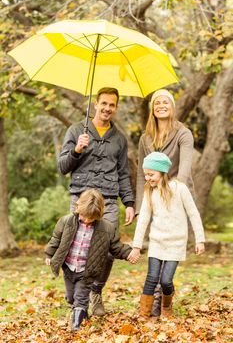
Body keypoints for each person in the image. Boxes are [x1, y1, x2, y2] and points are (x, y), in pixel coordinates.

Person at [58, 87, 135, 316]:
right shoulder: (75, 130)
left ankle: (96, 292)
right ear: (95, 104)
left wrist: (129, 202)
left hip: (109, 200)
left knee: (109, 250)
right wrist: (77, 150)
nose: (107, 108)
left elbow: (123, 173)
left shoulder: (119, 139)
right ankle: (74, 295)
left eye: (112, 105)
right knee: (73, 247)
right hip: (81, 200)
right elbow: (62, 167)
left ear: (116, 107)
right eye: (104, 103)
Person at [45, 189, 138, 331]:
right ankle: (83, 314)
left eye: (91, 218)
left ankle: (76, 327)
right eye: (84, 216)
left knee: (80, 298)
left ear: (99, 214)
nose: (87, 220)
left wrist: (128, 253)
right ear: (78, 208)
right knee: (71, 298)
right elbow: (56, 239)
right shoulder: (66, 221)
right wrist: (50, 255)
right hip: (69, 267)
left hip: (87, 270)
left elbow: (116, 247)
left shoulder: (106, 228)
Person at [128, 152, 205, 319]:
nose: (147, 178)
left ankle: (166, 305)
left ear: (162, 172)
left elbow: (193, 214)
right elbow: (143, 221)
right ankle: (145, 314)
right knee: (152, 277)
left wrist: (200, 239)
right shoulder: (150, 192)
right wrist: (136, 246)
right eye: (145, 174)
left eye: (151, 174)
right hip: (156, 242)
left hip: (175, 244)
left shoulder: (180, 188)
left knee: (165, 280)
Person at [136, 88, 194, 214]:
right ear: (152, 109)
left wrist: (172, 199)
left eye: (165, 102)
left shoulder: (183, 134)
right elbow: (141, 174)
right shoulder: (145, 138)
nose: (161, 106)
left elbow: (184, 171)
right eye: (157, 103)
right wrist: (140, 208)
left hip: (178, 197)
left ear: (172, 107)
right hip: (153, 198)